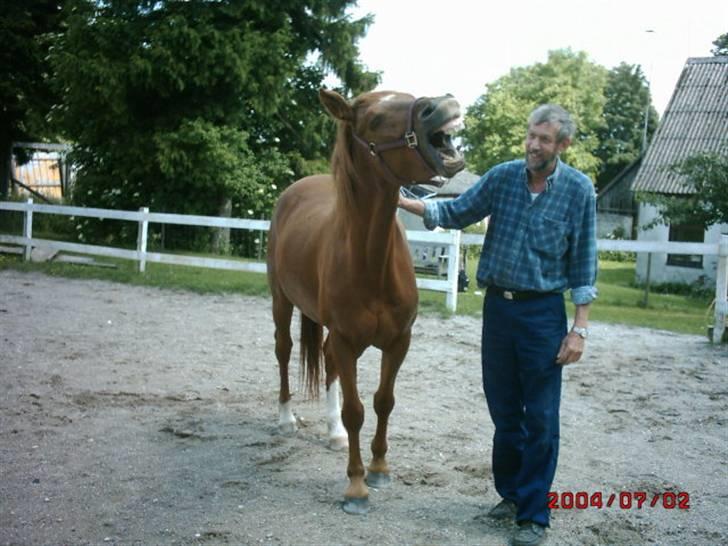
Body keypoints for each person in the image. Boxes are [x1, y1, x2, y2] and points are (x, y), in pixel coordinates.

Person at [398, 104, 597, 546]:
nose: (533, 144)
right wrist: (397, 198)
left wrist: (578, 329)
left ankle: (533, 515)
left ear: (562, 145)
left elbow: (584, 265)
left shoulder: (579, 191)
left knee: (541, 417)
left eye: (544, 139)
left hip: (544, 314)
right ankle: (510, 496)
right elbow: (455, 213)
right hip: (499, 311)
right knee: (505, 412)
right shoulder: (504, 177)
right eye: (531, 135)